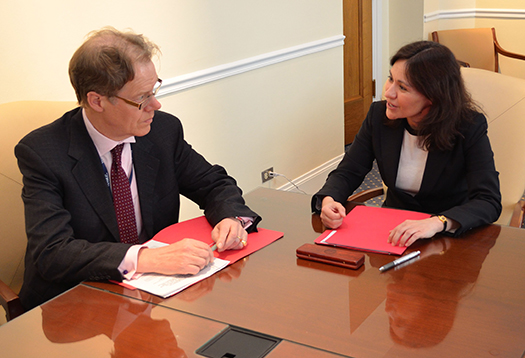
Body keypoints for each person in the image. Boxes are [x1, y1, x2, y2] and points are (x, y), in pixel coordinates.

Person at [15, 27, 261, 310]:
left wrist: (230, 218)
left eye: (154, 89)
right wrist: (145, 258)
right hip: (77, 304)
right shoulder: (43, 152)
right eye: (142, 98)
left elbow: (213, 183)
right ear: (97, 101)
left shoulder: (163, 131)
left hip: (154, 295)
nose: (155, 105)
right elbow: (53, 252)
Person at [312, 41, 501, 247]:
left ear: (433, 97)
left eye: (402, 87)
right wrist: (329, 200)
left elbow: (487, 200)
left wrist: (437, 222)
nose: (388, 93)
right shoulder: (378, 116)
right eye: (390, 79)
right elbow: (349, 171)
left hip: (447, 240)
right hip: (391, 234)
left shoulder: (468, 127)